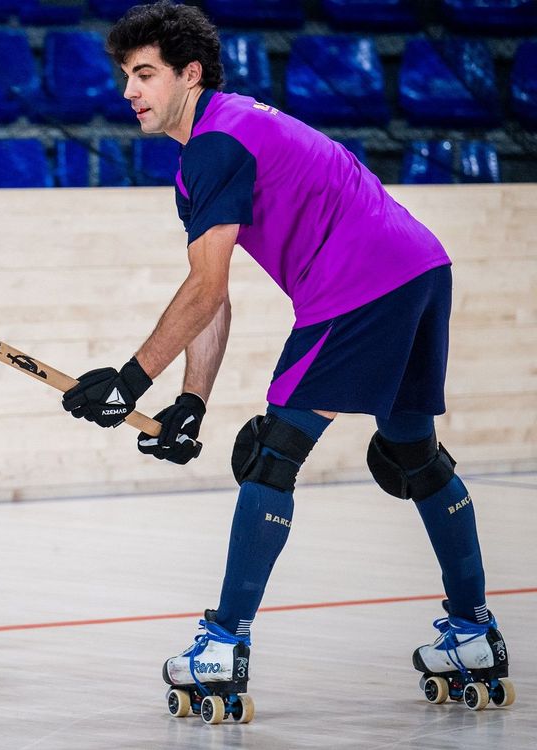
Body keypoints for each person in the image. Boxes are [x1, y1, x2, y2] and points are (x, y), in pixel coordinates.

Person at [60, 1, 512, 723]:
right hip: (421, 269)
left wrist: (131, 379)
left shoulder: (216, 145)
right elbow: (218, 293)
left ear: (190, 73)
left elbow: (204, 288)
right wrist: (190, 402)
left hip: (359, 285)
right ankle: (472, 634)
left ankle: (222, 643)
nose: (129, 92)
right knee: (415, 457)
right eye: (125, 76)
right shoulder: (221, 137)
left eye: (144, 74)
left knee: (274, 456)